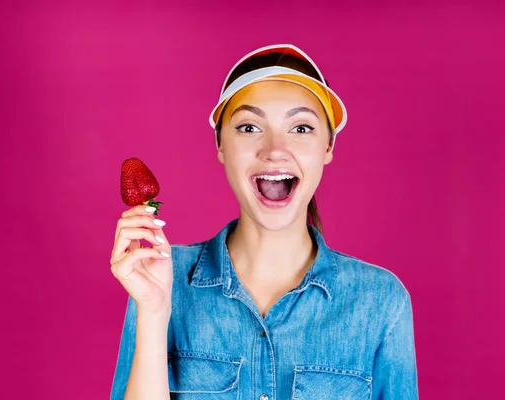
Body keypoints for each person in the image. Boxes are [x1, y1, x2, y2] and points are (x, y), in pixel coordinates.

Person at [109, 44, 418, 400]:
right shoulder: (161, 278)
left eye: (301, 128)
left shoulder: (380, 302)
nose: (274, 149)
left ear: (328, 147)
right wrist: (153, 311)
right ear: (220, 145)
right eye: (249, 126)